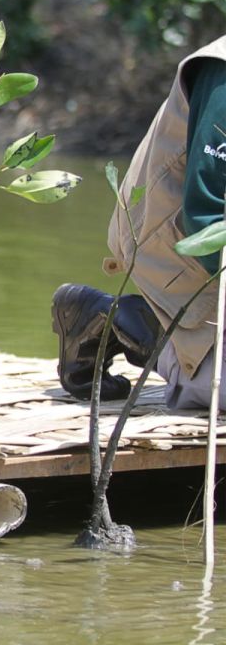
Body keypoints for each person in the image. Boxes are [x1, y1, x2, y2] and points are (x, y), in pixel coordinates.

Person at [52, 35, 226, 409]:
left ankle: (153, 322)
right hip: (182, 258)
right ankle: (129, 320)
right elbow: (206, 218)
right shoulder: (222, 69)